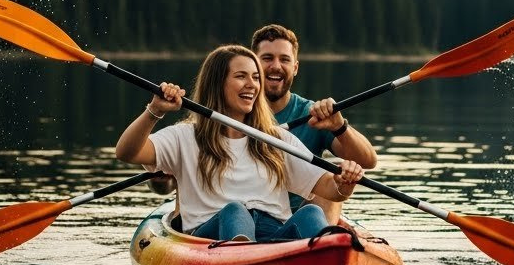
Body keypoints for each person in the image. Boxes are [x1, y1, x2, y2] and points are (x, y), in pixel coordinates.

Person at [115, 44, 364, 243]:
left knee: (312, 213)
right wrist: (155, 111)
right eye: (241, 76)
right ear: (217, 84)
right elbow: (127, 152)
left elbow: (330, 190)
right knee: (235, 211)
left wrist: (345, 182)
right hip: (211, 240)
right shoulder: (184, 137)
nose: (252, 85)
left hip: (272, 238)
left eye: (256, 77)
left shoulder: (275, 139)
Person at [250, 23, 377, 219]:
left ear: (295, 68)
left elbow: (367, 161)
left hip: (302, 220)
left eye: (284, 59)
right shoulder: (234, 112)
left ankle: (321, 240)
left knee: (329, 176)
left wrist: (339, 126)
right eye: (267, 58)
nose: (276, 66)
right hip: (248, 215)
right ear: (253, 65)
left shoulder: (311, 114)